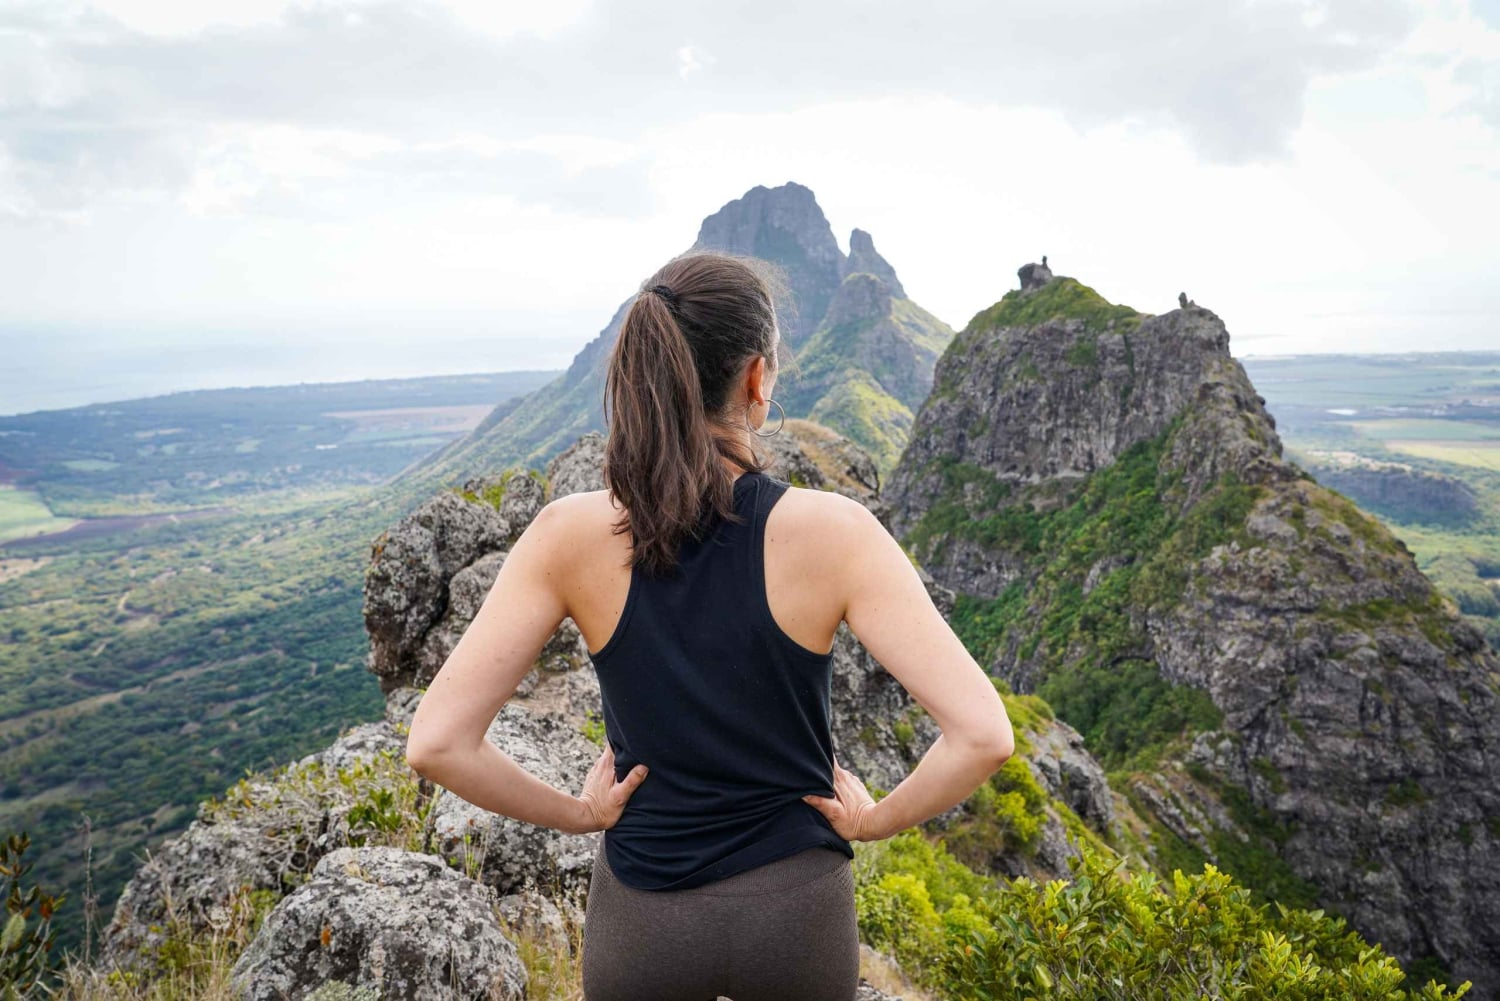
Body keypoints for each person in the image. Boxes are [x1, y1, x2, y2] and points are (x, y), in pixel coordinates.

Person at [405, 250, 1016, 1001]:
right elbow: (984, 734)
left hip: (643, 918)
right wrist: (873, 819)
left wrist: (580, 813)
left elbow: (436, 743)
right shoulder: (836, 534)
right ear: (757, 379)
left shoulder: (569, 534)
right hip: (797, 916)